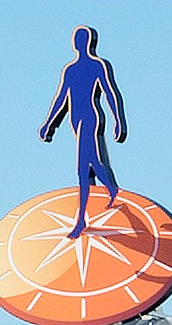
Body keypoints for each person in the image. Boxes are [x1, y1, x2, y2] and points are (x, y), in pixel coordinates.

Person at [36, 27, 128, 237]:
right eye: (76, 39)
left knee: (82, 169)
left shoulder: (97, 65)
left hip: (89, 118)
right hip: (75, 119)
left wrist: (118, 121)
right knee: (93, 163)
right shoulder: (70, 70)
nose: (78, 43)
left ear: (88, 42)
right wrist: (49, 123)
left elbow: (110, 92)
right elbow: (61, 98)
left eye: (82, 39)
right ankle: (112, 189)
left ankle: (80, 221)